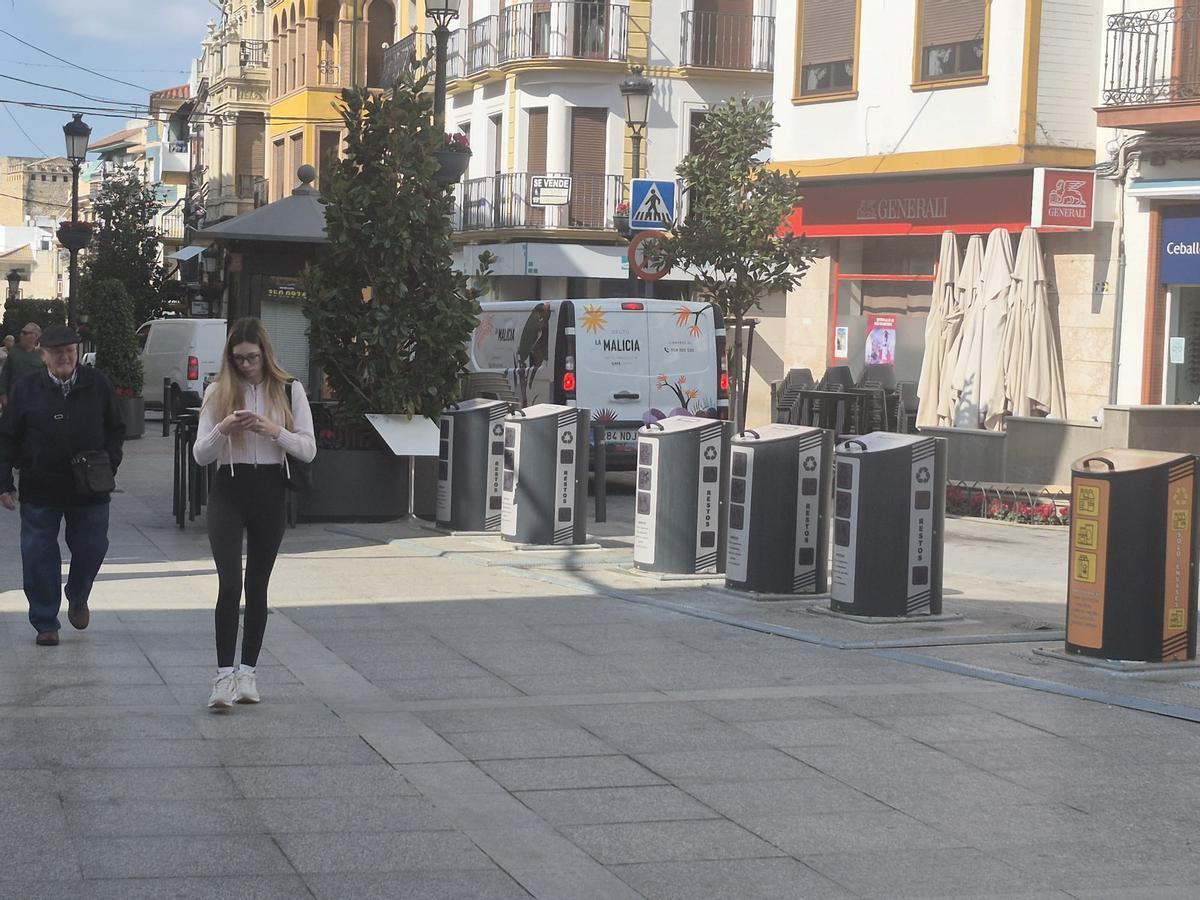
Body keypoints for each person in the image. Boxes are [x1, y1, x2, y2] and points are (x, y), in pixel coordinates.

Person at [193, 317, 315, 709]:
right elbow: (201, 454)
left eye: (252, 358)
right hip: (229, 490)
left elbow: (308, 448)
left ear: (265, 354)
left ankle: (248, 672)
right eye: (238, 358)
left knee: (257, 584)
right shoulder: (218, 391)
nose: (246, 365)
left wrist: (272, 430)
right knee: (229, 583)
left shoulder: (290, 389)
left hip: (269, 490)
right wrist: (225, 427)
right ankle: (223, 677)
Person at [0, 325, 126, 646]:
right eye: (57, 353)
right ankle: (45, 621)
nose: (65, 357)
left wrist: (109, 464)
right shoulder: (26, 389)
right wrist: (4, 481)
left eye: (70, 351)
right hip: (40, 484)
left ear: (77, 352)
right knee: (38, 553)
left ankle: (78, 594)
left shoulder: (97, 383)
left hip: (90, 486)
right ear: (44, 355)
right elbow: (7, 436)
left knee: (92, 547)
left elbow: (116, 427)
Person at [0, 323, 46, 410]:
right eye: (21, 332)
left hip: (35, 401)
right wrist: (2, 395)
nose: (21, 335)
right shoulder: (14, 351)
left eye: (25, 333)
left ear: (36, 336)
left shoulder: (43, 353)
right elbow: (5, 373)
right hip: (14, 400)